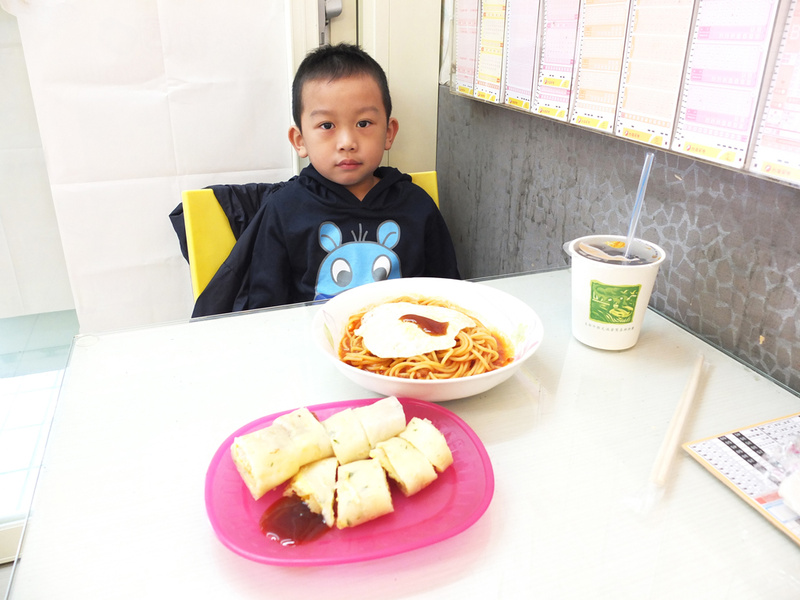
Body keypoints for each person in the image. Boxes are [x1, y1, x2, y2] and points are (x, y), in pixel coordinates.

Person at [239, 42, 461, 309]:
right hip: (315, 334)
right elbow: (266, 308)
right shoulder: (284, 209)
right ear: (300, 140)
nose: (347, 142)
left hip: (402, 333)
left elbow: (449, 293)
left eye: (363, 123)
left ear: (388, 133)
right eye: (327, 125)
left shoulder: (417, 205)